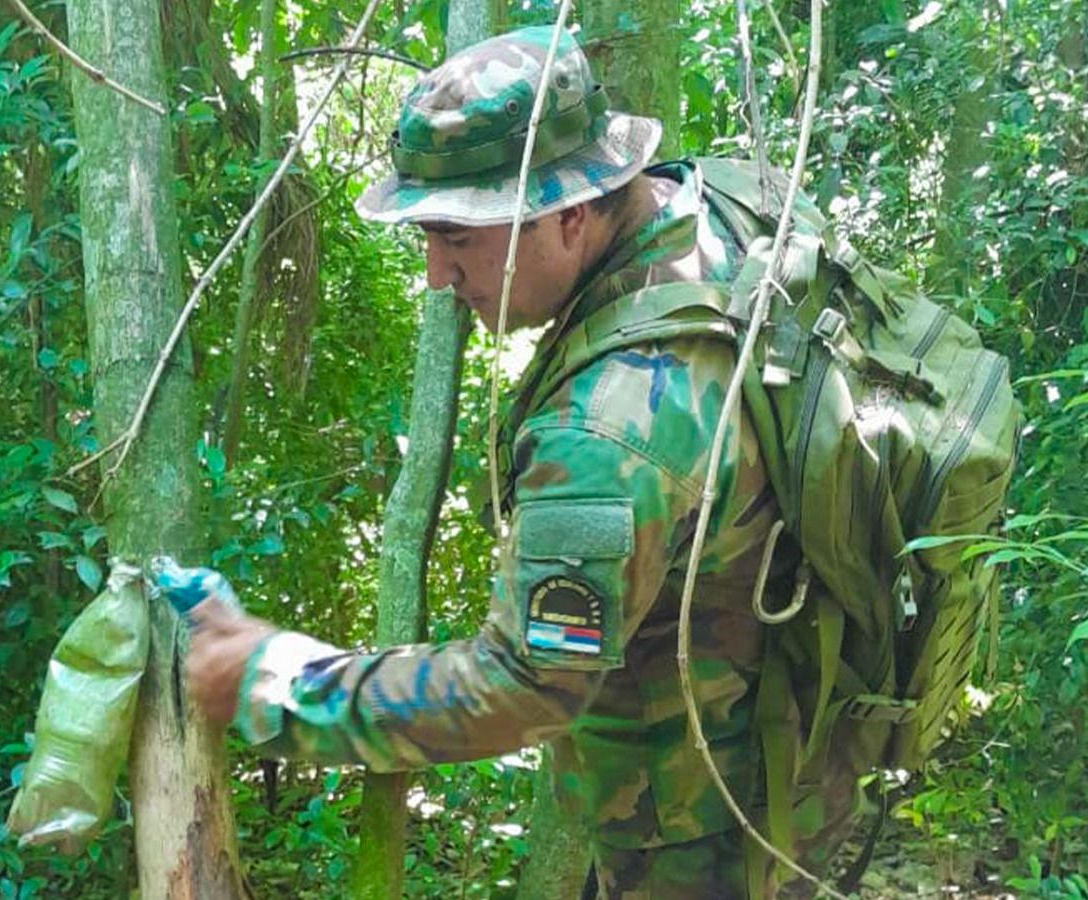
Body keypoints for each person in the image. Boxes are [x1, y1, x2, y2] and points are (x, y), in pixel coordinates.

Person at [183, 26, 860, 899]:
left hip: (709, 838)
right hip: (785, 750)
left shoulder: (610, 434)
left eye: (457, 239)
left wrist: (273, 682)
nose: (435, 275)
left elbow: (520, 686)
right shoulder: (718, 201)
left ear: (570, 214)